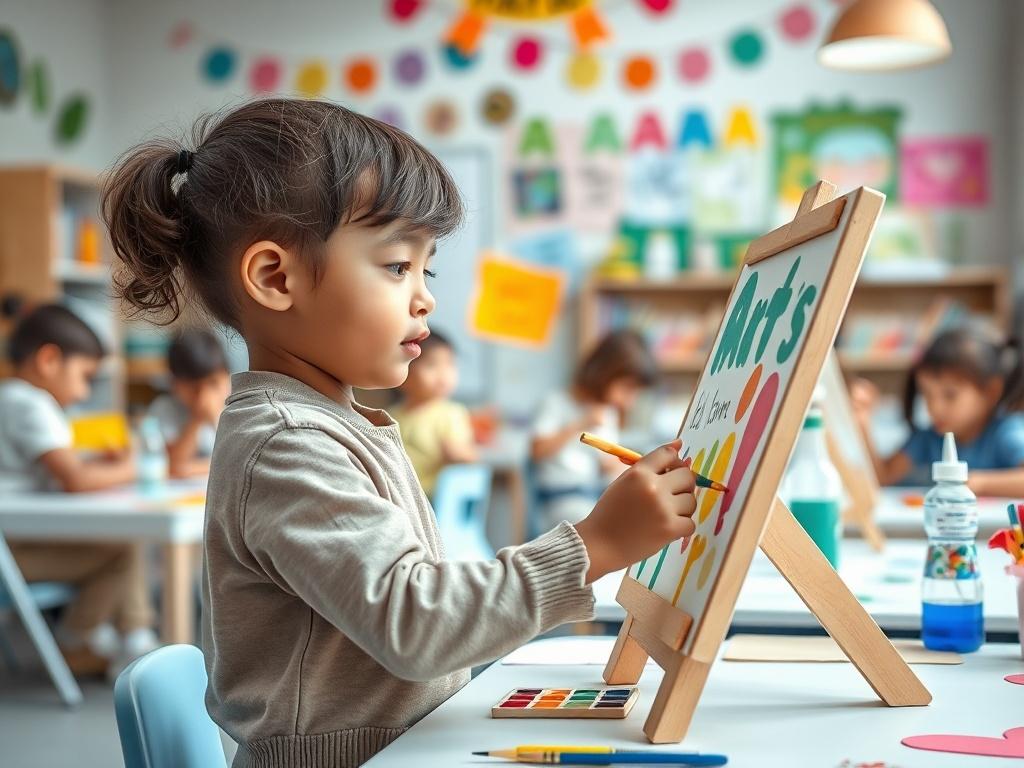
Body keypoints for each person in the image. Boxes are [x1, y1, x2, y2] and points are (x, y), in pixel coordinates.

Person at [102, 98, 696, 768]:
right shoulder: (286, 443)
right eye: (396, 267)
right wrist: (597, 544)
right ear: (276, 278)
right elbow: (418, 623)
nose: (425, 297)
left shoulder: (328, 423)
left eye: (427, 268)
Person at [0, 302, 157, 676]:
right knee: (120, 549)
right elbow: (75, 481)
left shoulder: (13, 397)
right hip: (12, 551)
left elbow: (59, 468)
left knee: (119, 544)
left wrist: (104, 466)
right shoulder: (32, 404)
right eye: (85, 376)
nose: (85, 391)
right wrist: (135, 468)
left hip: (15, 543)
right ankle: (82, 643)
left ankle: (116, 636)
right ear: (49, 360)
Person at [852, 326, 1024, 495]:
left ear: (990, 391)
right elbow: (883, 477)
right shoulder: (929, 437)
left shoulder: (1007, 432)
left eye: (950, 395)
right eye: (926, 395)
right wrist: (863, 422)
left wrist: (980, 483)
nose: (934, 408)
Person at [530, 330, 658, 531]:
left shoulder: (607, 412)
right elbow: (537, 451)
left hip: (592, 493)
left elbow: (605, 465)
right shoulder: (557, 402)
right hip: (560, 498)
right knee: (603, 529)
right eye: (627, 388)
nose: (630, 401)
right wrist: (580, 424)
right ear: (604, 372)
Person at [390, 330, 477, 497]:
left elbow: (465, 455)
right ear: (403, 371)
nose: (443, 374)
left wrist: (458, 454)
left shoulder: (450, 413)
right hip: (401, 496)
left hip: (434, 498)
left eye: (450, 364)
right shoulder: (390, 416)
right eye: (431, 365)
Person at [148, 328, 230, 478]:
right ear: (174, 384)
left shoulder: (236, 407)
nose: (204, 396)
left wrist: (215, 419)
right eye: (194, 388)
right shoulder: (165, 409)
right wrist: (197, 420)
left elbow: (238, 459)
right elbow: (174, 466)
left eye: (213, 384)